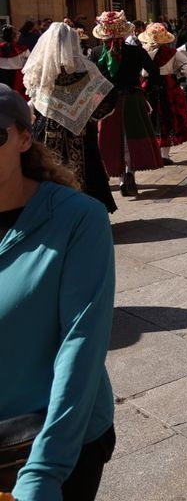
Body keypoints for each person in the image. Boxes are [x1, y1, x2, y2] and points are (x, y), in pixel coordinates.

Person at [0, 86, 117, 501]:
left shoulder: (77, 219)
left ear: (24, 138)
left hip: (46, 441)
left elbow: (81, 343)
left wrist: (44, 471)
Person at [21, 22, 116, 213]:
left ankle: (51, 212)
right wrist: (90, 115)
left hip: (48, 127)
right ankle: (86, 213)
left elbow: (34, 97)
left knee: (47, 169)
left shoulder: (42, 68)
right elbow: (108, 96)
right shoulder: (86, 68)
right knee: (86, 170)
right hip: (81, 129)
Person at [88, 11, 162, 198]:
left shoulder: (95, 53)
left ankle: (121, 179)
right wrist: (145, 89)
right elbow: (153, 71)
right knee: (132, 137)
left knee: (111, 138)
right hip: (132, 98)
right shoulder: (136, 51)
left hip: (106, 102)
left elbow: (89, 80)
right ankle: (129, 173)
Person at [138, 22, 187, 165]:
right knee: (167, 117)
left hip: (147, 85)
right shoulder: (171, 53)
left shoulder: (142, 51)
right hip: (168, 85)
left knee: (148, 118)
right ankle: (164, 154)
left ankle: (152, 153)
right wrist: (179, 74)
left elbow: (140, 71)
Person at [0, 24, 29, 95]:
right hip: (17, 76)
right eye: (18, 34)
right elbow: (28, 64)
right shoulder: (23, 49)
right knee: (16, 95)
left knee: (3, 94)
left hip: (1, 74)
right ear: (15, 36)